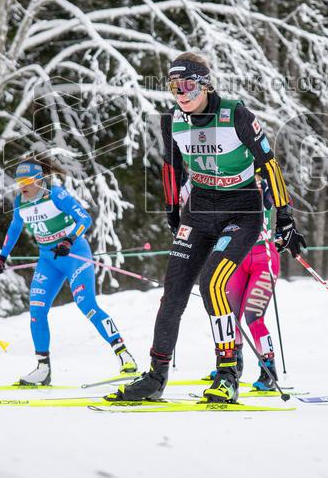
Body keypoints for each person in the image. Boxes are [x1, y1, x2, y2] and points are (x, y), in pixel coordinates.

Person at [110, 52, 306, 404]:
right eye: (174, 86)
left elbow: (269, 164)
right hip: (199, 211)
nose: (181, 93)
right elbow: (171, 167)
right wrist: (172, 210)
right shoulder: (172, 120)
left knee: (212, 282)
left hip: (241, 211)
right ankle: (156, 376)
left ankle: (228, 373)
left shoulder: (236, 114)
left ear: (205, 84)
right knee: (173, 293)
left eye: (188, 85)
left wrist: (285, 216)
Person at [0, 159, 137, 385]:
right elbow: (15, 227)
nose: (22, 186)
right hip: (48, 260)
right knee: (36, 311)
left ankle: (124, 354)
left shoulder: (56, 195)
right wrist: (1, 258)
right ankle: (43, 369)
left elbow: (85, 218)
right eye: (19, 181)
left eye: (27, 181)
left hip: (74, 255)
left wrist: (69, 240)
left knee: (86, 305)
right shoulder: (20, 202)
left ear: (39, 179)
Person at [201, 179, 282, 391]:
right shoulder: (225, 186)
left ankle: (268, 370)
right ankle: (233, 363)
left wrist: (285, 233)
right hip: (237, 257)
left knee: (253, 317)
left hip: (264, 259)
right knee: (229, 313)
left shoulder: (263, 184)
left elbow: (282, 200)